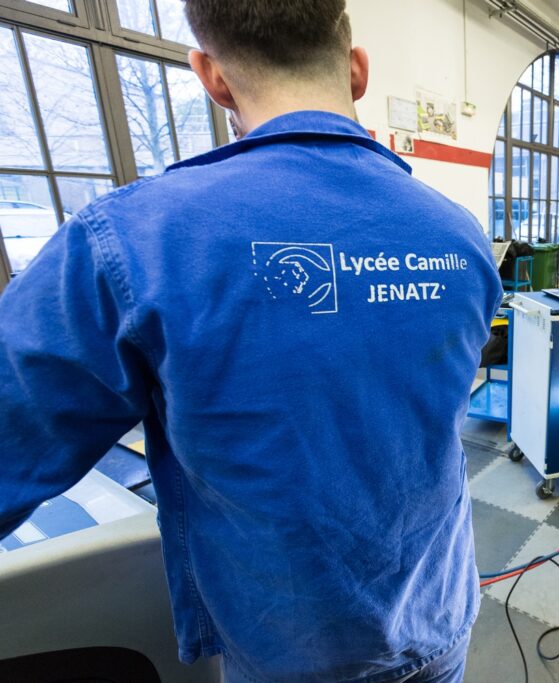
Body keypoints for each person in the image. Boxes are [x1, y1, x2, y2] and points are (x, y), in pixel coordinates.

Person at [0, 2, 503, 681]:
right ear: (356, 70)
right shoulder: (460, 237)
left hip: (292, 654)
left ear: (211, 76)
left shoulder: (134, 242)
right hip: (441, 621)